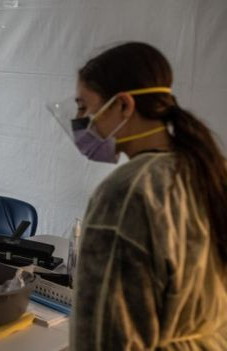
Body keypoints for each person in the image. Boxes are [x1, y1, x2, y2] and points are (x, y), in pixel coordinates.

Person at [50, 42, 227, 349]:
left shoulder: (128, 191)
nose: (79, 120)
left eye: (83, 106)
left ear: (123, 106)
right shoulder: (210, 169)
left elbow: (104, 335)